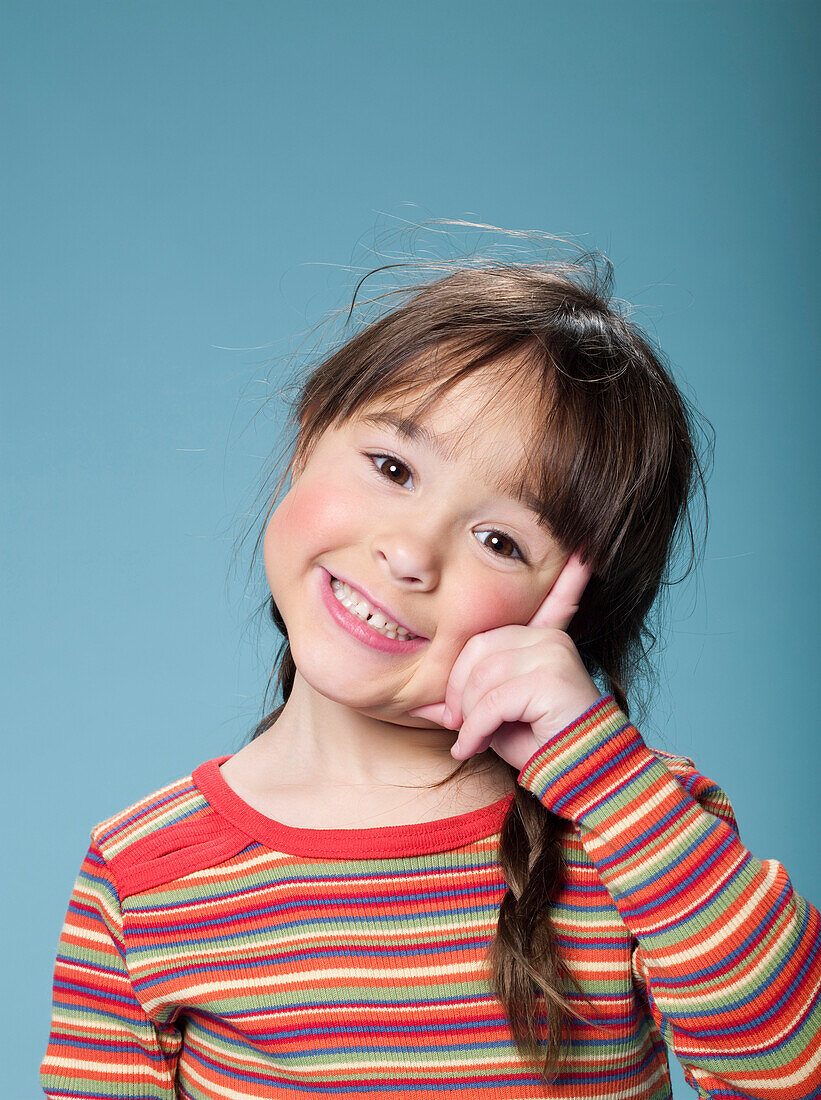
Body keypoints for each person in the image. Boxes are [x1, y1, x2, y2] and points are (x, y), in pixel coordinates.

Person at [40, 242, 821, 1098]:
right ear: (308, 437)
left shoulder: (638, 828)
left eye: (500, 541)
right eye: (392, 468)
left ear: (569, 607)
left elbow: (791, 1069)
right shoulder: (146, 870)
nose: (410, 553)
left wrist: (602, 774)